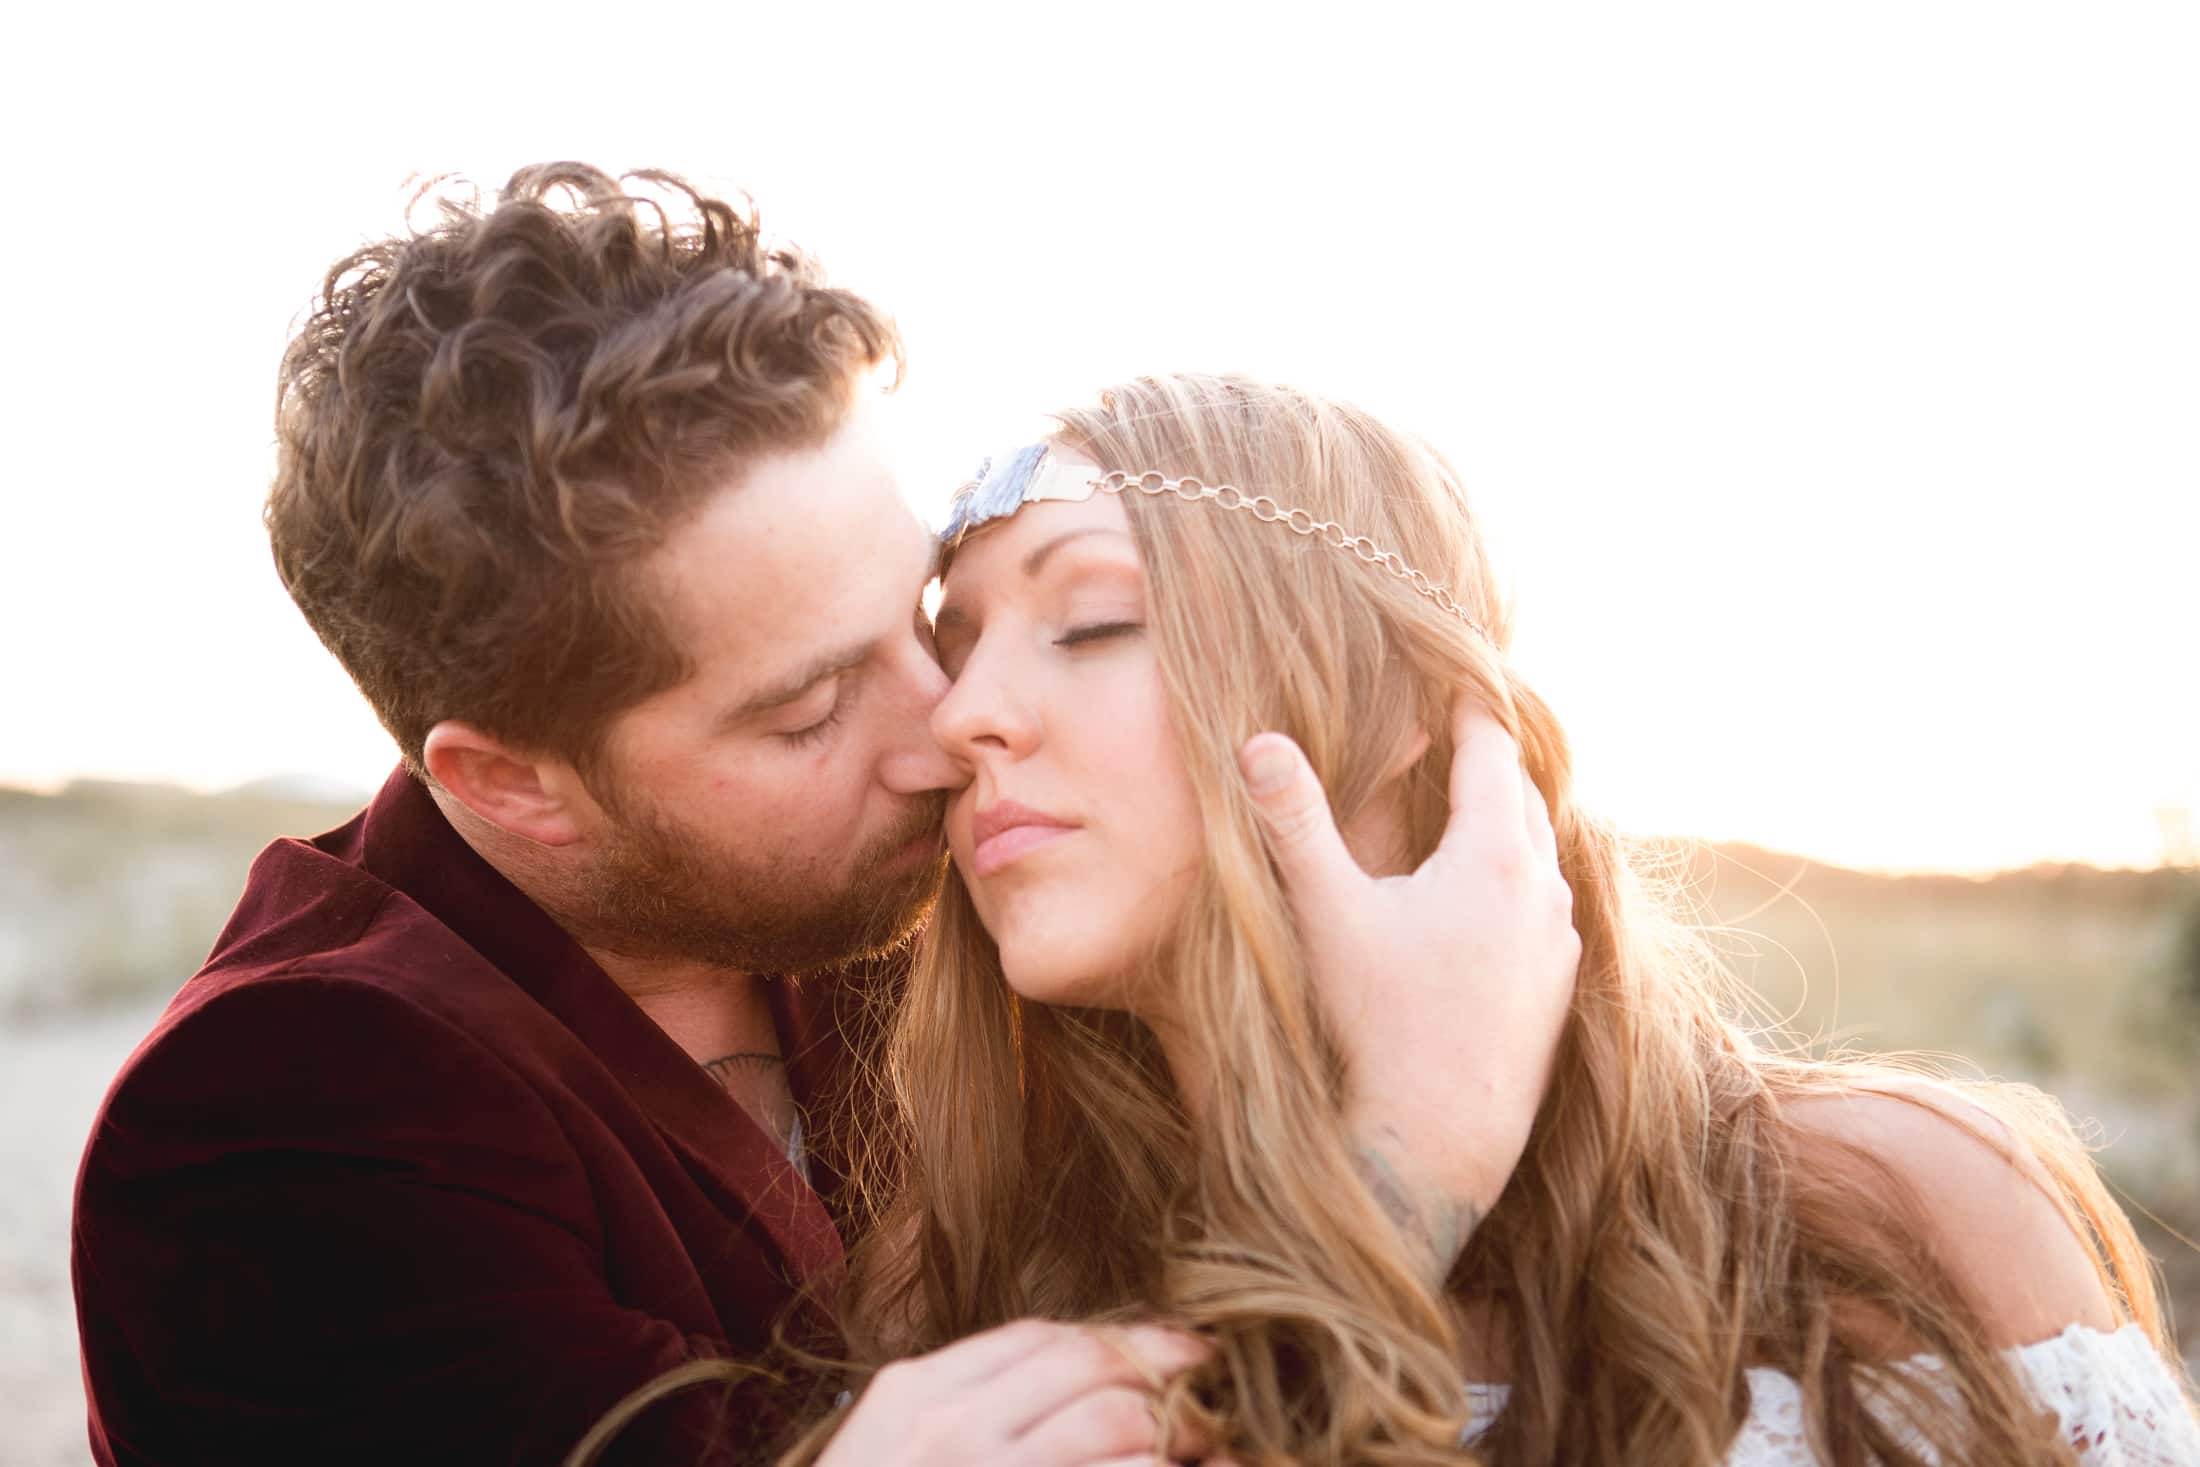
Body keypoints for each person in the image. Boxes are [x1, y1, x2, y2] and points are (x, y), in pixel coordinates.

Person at [68, 169, 1579, 1467]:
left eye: (923, 617)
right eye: (807, 711)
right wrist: (1413, 1151)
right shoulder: (273, 1136)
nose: (950, 725)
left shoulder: (944, 894)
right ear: (510, 784)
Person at [775, 373, 2200, 1466]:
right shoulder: (966, 1293)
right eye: (952, 648)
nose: (960, 717)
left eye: (1090, 623)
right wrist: (1406, 1162)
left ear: (1398, 707)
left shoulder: (1874, 1218)